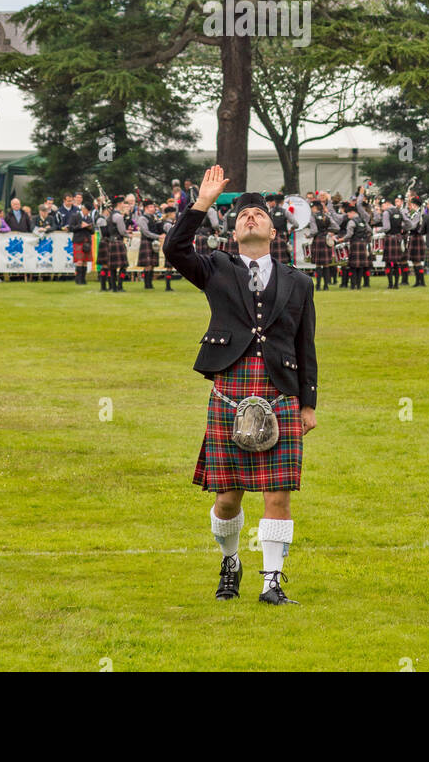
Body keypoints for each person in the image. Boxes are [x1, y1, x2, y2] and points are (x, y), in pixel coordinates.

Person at [164, 164, 317, 607]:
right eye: (243, 215)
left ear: (273, 232)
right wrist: (203, 204)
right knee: (227, 498)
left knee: (278, 494)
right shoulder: (217, 269)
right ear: (233, 233)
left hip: (279, 392)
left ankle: (272, 582)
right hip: (230, 390)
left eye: (259, 215)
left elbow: (306, 346)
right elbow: (174, 248)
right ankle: (231, 561)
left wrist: (308, 404)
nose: (250, 217)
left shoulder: (298, 282)